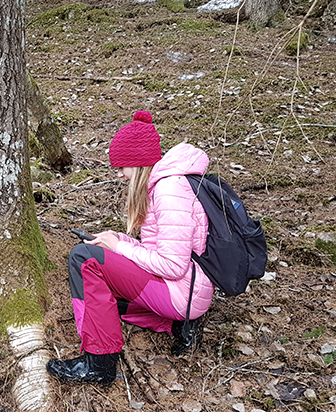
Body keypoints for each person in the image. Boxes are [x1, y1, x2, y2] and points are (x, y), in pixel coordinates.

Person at [46, 110, 213, 386]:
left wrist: (120, 250)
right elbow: (157, 250)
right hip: (182, 292)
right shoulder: (163, 186)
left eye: (122, 166)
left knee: (84, 259)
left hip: (181, 293)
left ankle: (98, 363)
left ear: (138, 163)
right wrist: (119, 241)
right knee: (106, 302)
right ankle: (177, 327)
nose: (121, 175)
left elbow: (173, 265)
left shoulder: (168, 191)